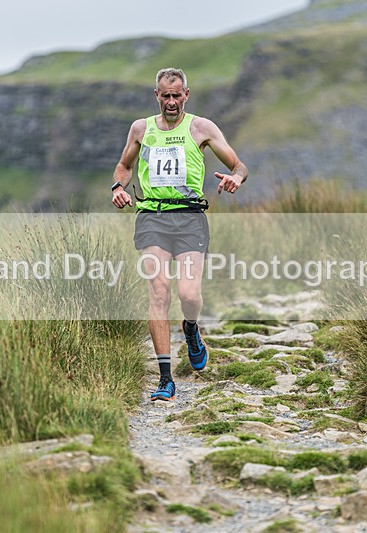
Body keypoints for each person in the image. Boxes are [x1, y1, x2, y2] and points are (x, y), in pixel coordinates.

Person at [111, 67, 248, 401]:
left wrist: (236, 179)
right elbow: (124, 167)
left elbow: (238, 165)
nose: (171, 102)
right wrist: (118, 187)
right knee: (159, 293)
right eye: (165, 96)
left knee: (188, 294)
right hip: (152, 217)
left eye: (176, 95)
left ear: (187, 94)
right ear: (156, 95)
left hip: (190, 219)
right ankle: (165, 379)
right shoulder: (140, 128)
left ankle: (191, 329)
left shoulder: (202, 127)